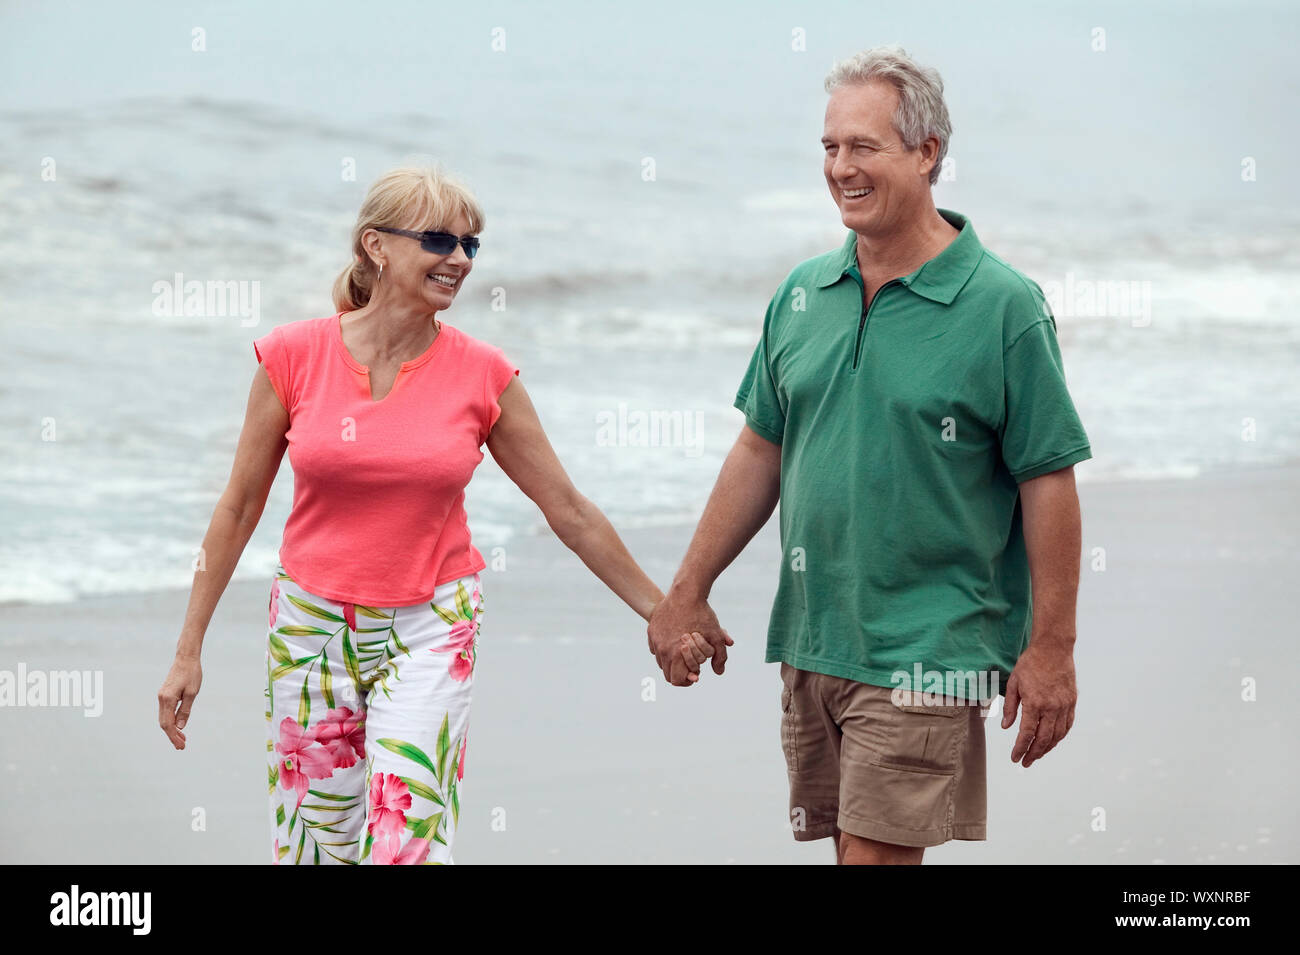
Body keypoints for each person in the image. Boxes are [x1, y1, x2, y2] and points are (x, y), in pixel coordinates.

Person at [156, 164, 709, 864]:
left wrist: (663, 612)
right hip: (310, 627)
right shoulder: (292, 356)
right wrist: (188, 649)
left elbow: (568, 510)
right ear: (376, 247)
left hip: (432, 624)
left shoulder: (484, 375)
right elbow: (237, 508)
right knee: (314, 849)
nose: (459, 260)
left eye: (471, 246)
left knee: (403, 846)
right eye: (440, 240)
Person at [654, 46, 1092, 865]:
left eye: (864, 147)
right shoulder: (801, 294)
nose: (841, 168)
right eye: (829, 147)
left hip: (933, 646)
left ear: (928, 154)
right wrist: (687, 590)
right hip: (816, 638)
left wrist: (1053, 647)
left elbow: (1048, 477)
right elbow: (759, 447)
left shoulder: (1003, 307)